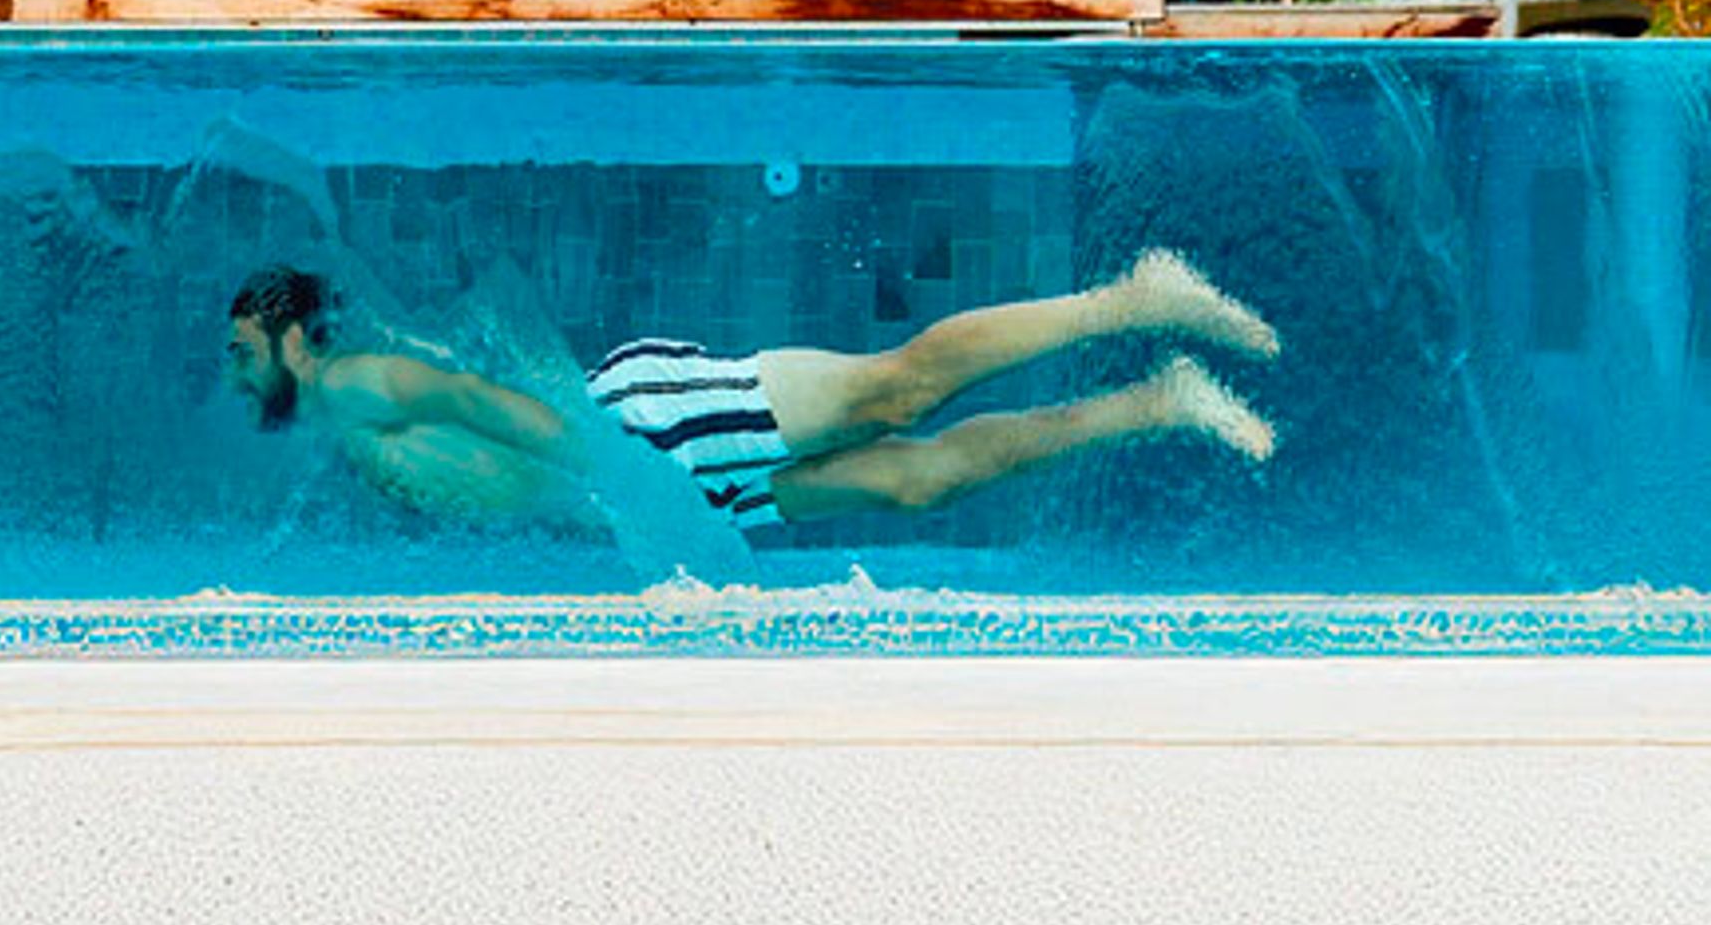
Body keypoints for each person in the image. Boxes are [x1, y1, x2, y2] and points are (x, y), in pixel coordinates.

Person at [219, 253, 1278, 533]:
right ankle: (1159, 398)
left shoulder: (356, 381)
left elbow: (484, 403)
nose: (235, 369)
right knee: (916, 484)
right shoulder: (337, 428)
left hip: (640, 436)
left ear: (295, 336)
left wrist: (617, 473)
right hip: (647, 490)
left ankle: (1135, 297)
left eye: (243, 346)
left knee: (893, 390)